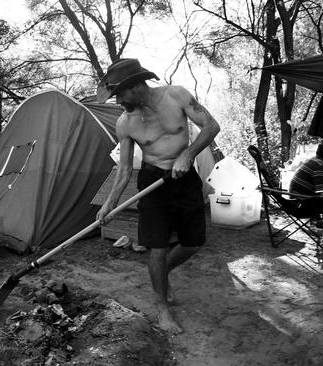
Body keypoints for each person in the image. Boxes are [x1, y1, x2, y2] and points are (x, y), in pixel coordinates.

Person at [95, 58, 220, 334]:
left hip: (185, 179)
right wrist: (108, 205)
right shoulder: (125, 123)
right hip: (154, 181)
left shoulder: (176, 96)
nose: (118, 101)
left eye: (121, 94)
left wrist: (188, 154)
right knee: (158, 247)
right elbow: (125, 169)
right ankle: (162, 307)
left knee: (193, 243)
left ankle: (163, 273)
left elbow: (212, 126)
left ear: (137, 85)